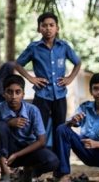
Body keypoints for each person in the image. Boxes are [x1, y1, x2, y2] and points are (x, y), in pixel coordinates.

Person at [14, 12, 81, 146]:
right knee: (38, 129)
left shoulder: (64, 46)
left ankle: (60, 164)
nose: (48, 28)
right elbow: (18, 64)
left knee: (60, 129)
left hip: (60, 95)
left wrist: (69, 78)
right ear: (39, 29)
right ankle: (38, 163)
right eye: (44, 25)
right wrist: (31, 79)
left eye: (51, 25)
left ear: (57, 28)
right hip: (42, 95)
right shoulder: (34, 48)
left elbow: (77, 63)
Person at [54, 73, 99, 182]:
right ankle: (63, 174)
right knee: (62, 128)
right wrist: (72, 122)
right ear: (91, 91)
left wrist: (96, 144)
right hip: (85, 151)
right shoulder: (85, 107)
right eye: (95, 88)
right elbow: (67, 127)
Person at [0, 74, 58, 182]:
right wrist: (8, 123)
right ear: (4, 94)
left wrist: (17, 155)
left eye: (18, 92)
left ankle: (28, 172)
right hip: (7, 153)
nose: (13, 96)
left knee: (52, 161)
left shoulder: (33, 110)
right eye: (9, 92)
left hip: (27, 151)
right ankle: (5, 172)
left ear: (23, 94)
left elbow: (42, 141)